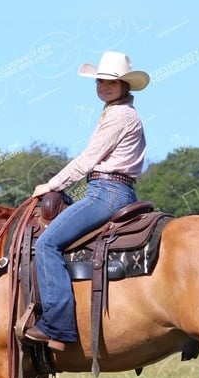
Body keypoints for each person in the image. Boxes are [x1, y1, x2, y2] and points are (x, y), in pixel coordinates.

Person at [24, 51, 150, 351]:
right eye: (99, 81)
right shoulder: (117, 111)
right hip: (112, 189)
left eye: (111, 82)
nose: (103, 86)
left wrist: (50, 186)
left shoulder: (119, 115)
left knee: (46, 244)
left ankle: (58, 326)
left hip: (107, 193)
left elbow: (87, 160)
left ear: (124, 85)